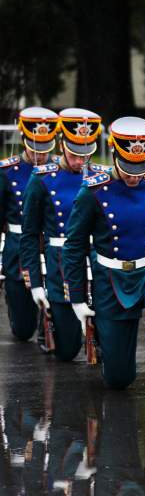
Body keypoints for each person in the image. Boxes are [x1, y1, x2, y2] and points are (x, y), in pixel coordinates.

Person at [63, 116, 145, 390]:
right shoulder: (93, 191)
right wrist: (76, 297)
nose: (134, 175)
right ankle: (105, 336)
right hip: (111, 280)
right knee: (119, 379)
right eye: (128, 167)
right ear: (114, 155)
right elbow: (74, 244)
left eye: (140, 167)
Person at [20, 107, 104, 361]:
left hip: (96, 258)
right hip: (60, 260)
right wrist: (35, 283)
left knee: (105, 347)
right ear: (61, 144)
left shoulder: (100, 176)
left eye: (86, 155)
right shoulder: (42, 179)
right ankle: (51, 324)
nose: (80, 162)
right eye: (74, 154)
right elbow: (30, 234)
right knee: (68, 351)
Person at [0, 107, 58, 342]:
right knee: (23, 331)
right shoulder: (6, 172)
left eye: (45, 149)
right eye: (35, 148)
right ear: (23, 139)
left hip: (53, 247)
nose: (40, 155)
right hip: (19, 248)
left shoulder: (58, 170)